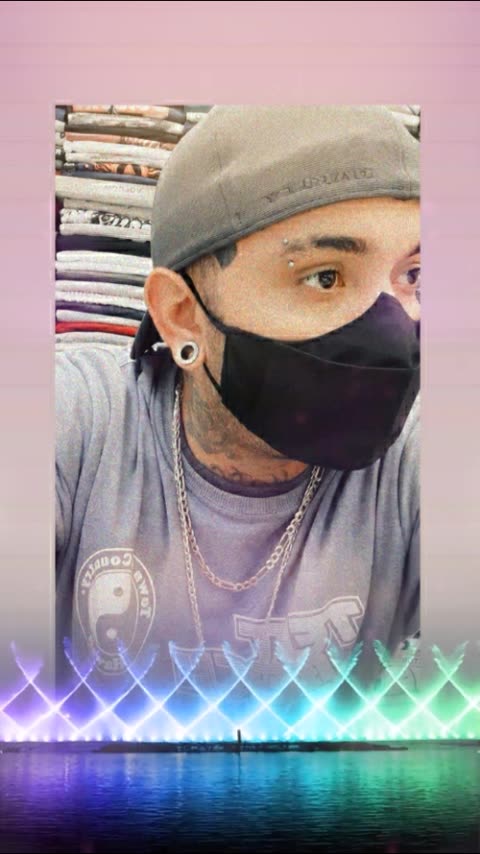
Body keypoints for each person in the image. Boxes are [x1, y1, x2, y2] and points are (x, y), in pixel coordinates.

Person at [56, 105, 420, 711]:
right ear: (181, 316)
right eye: (325, 277)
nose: (395, 328)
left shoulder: (422, 456)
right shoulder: (81, 422)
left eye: (412, 275)